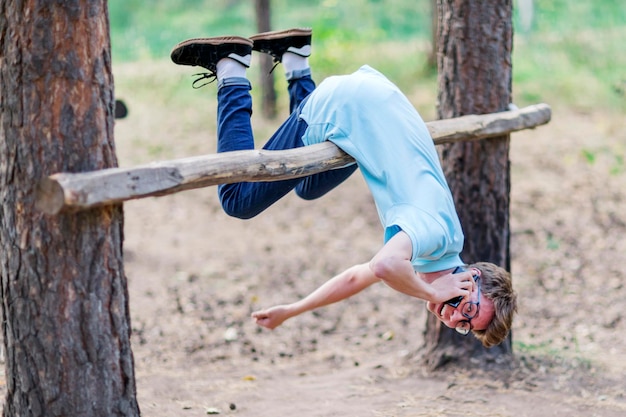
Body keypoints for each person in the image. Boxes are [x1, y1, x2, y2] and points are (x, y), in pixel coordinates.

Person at [170, 28, 517, 348]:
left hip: (373, 103)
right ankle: (230, 67)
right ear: (471, 278)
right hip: (348, 107)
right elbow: (383, 266)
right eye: (467, 310)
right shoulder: (435, 236)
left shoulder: (439, 251)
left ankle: (294, 57)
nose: (454, 317)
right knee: (238, 200)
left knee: (307, 188)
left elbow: (357, 277)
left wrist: (292, 310)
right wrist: (429, 290)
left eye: (464, 326)